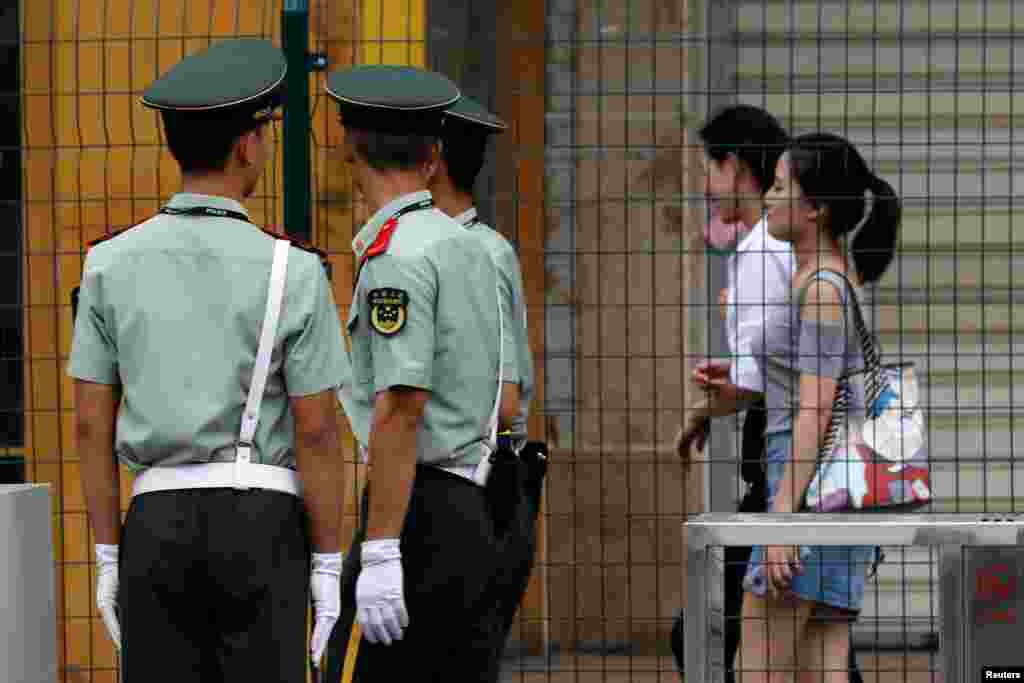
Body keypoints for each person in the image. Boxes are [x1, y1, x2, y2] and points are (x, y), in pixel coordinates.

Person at [68, 38, 349, 683]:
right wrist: (328, 562)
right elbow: (317, 431)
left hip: (156, 523)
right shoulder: (295, 269)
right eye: (266, 133)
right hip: (261, 522)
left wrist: (108, 554)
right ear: (248, 145)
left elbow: (88, 424)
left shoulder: (107, 264)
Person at [321, 64, 517, 681]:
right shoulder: (466, 245)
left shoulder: (398, 254)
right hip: (469, 503)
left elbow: (401, 406)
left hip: (416, 510)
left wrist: (380, 548)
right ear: (432, 156)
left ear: (351, 150)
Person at [702, 132, 898, 682]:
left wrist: (782, 521)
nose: (768, 197)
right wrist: (740, 381)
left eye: (780, 187)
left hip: (806, 498)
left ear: (815, 209)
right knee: (822, 668)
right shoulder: (827, 280)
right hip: (835, 498)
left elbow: (815, 409)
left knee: (756, 670)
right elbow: (810, 387)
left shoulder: (822, 289)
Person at [673, 105, 795, 683]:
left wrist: (702, 410)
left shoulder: (763, 251)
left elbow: (761, 378)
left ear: (738, 168)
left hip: (786, 471)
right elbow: (776, 361)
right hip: (785, 468)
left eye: (709, 169)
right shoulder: (775, 246)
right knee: (810, 640)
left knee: (712, 632)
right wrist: (735, 377)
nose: (704, 185)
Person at [429, 93, 546, 677]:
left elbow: (504, 401)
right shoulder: (438, 247)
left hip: (479, 488)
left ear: (432, 161)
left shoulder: (479, 253)